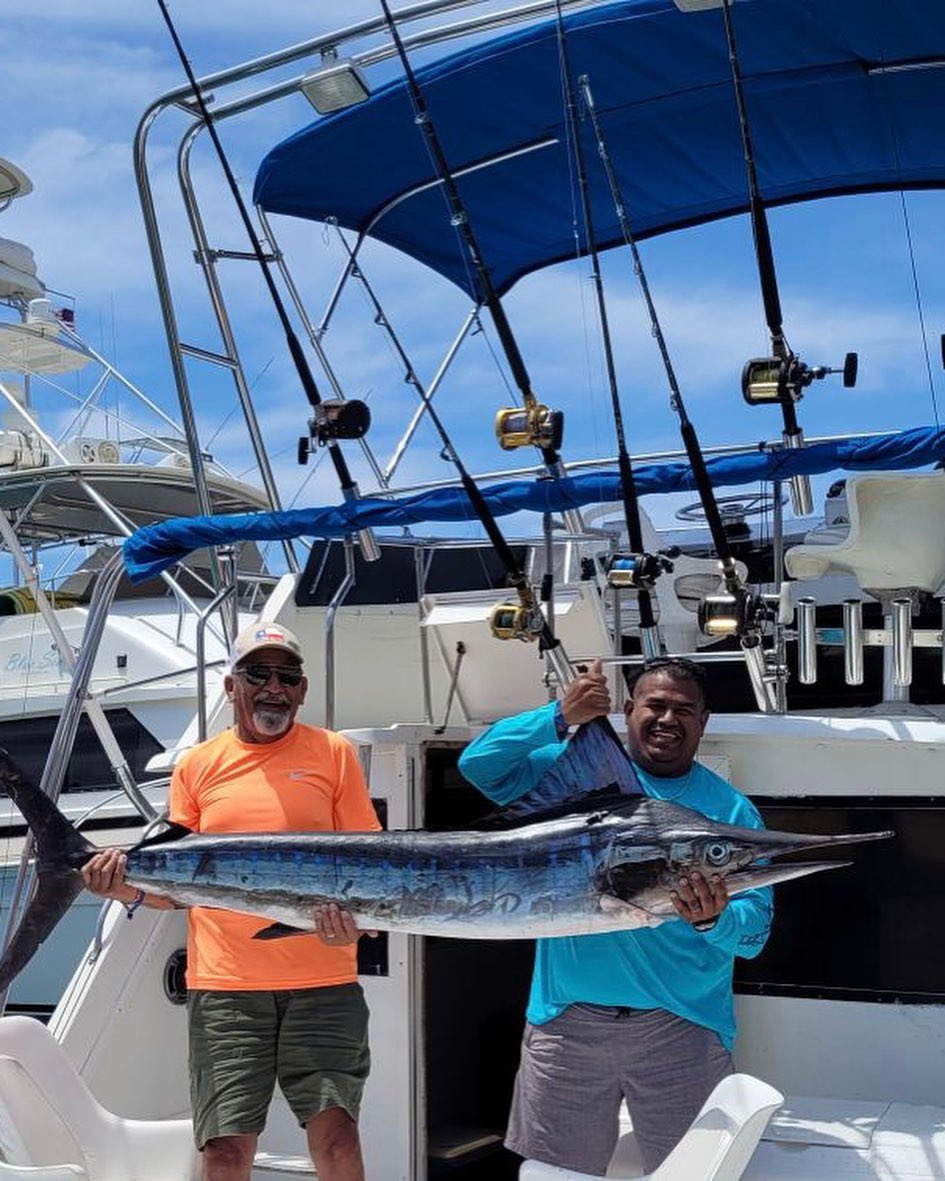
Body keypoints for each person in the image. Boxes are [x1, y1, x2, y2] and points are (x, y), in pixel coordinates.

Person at [82, 622, 380, 1181]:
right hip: (225, 989)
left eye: (286, 676)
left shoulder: (334, 754)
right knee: (224, 1151)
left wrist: (357, 925)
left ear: (302, 689)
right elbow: (176, 889)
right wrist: (120, 885)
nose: (274, 687)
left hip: (323, 985)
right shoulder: (197, 765)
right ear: (230, 685)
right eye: (258, 674)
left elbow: (366, 871)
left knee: (339, 1141)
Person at [457, 655, 772, 1176]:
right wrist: (560, 715)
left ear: (703, 722)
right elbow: (480, 764)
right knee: (555, 1176)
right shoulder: (572, 783)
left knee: (693, 1174)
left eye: (684, 710)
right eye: (656, 705)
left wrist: (716, 921)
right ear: (629, 710)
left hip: (682, 1030)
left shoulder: (732, 814)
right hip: (567, 1025)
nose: (668, 719)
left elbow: (754, 934)